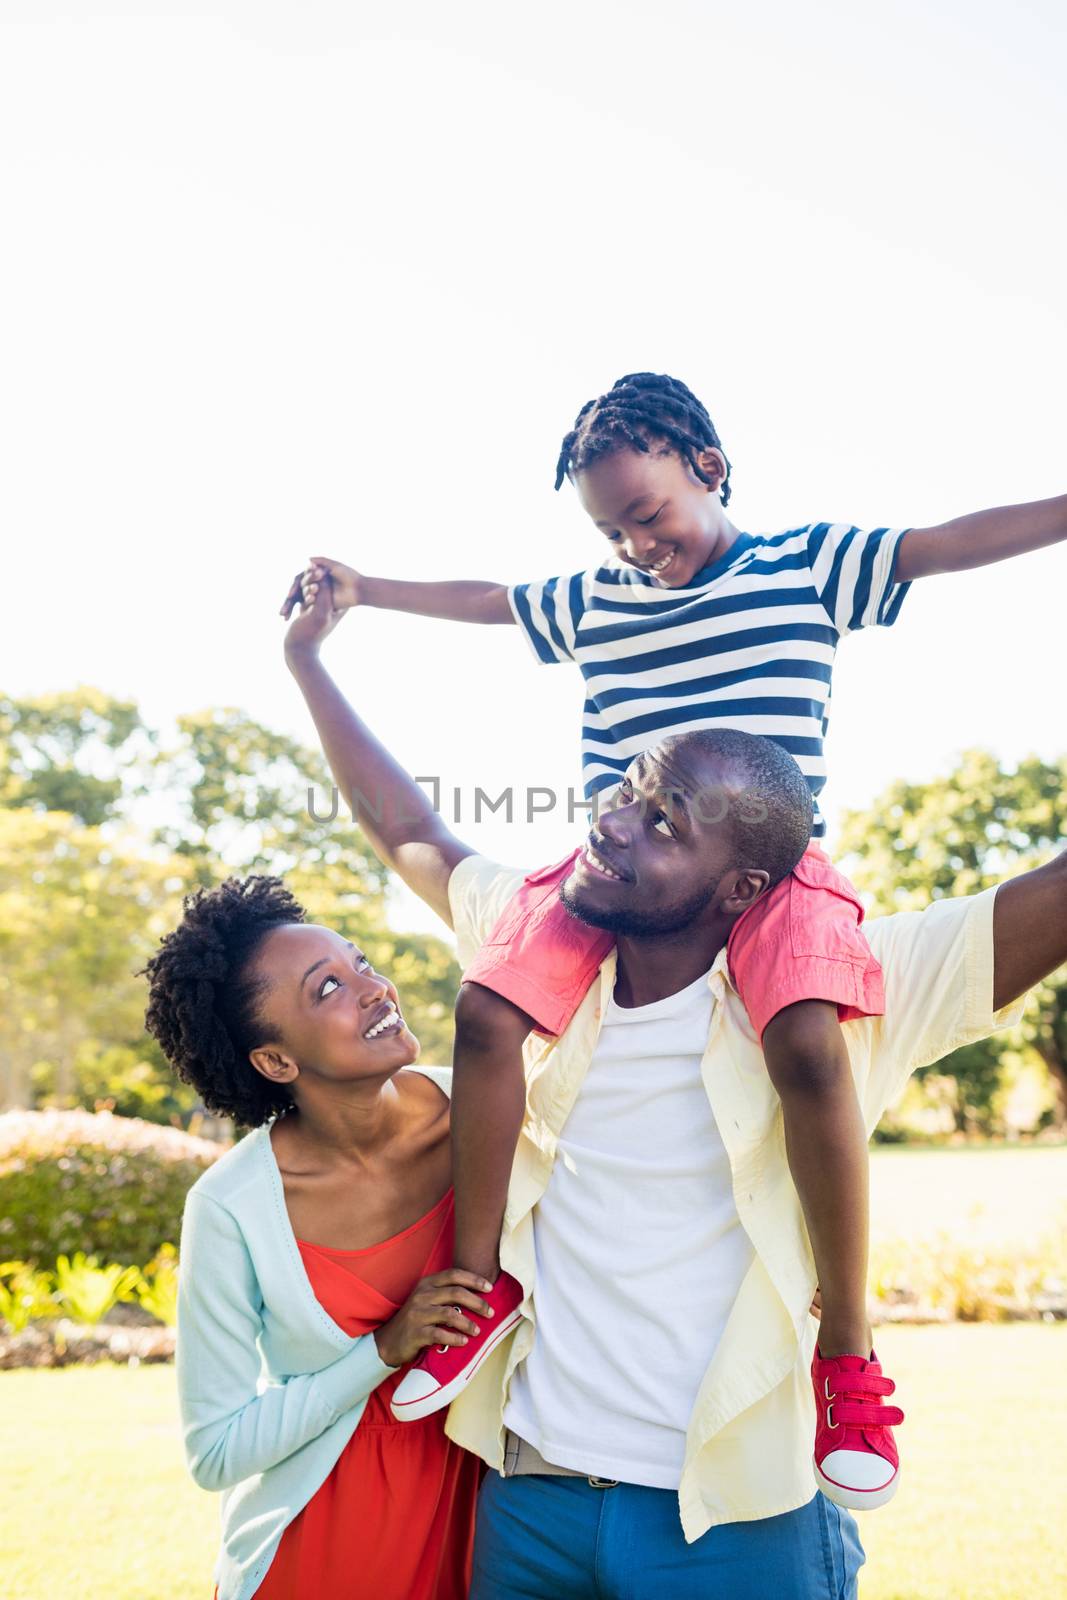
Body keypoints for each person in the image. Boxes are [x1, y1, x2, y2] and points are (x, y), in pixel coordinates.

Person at [280, 372, 1067, 1506]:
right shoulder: (596, 599)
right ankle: (481, 1284)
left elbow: (945, 541)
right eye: (607, 527)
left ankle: (842, 1348)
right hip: (605, 884)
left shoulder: (801, 564)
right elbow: (491, 600)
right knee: (487, 1011)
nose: (632, 542)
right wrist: (362, 598)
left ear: (709, 466)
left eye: (645, 514)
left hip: (775, 873)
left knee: (805, 1041)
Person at [143, 875, 489, 1600]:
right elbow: (215, 1450)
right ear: (275, 1062)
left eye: (360, 962)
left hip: (488, 1531)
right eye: (326, 988)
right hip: (314, 1556)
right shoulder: (233, 1207)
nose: (374, 988)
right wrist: (381, 1350)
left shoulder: (485, 1111)